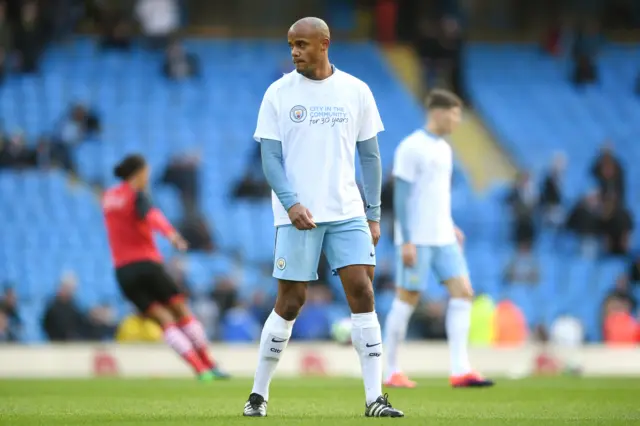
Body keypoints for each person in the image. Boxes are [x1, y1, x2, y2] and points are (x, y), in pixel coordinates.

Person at [242, 17, 403, 418]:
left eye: (301, 44)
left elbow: (370, 156)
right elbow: (271, 157)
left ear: (324, 44)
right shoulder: (278, 93)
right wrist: (292, 202)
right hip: (297, 214)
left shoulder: (356, 91)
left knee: (363, 292)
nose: (294, 51)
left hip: (347, 211)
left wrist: (374, 213)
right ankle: (258, 394)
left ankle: (374, 398)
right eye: (291, 44)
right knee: (291, 300)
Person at [383, 89, 494, 389]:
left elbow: (436, 196)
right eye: (455, 113)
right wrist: (405, 240)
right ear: (437, 112)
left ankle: (460, 369)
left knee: (463, 292)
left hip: (442, 235)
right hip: (416, 237)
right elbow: (402, 198)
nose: (458, 120)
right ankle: (390, 370)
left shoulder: (445, 149)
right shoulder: (411, 147)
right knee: (407, 298)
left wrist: (451, 225)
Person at [102, 154, 228, 381]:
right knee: (181, 310)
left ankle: (199, 370)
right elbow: (152, 216)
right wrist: (172, 236)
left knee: (163, 320)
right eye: (146, 173)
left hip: (123, 271)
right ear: (139, 173)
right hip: (147, 263)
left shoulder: (108, 198)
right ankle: (209, 363)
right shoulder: (136, 195)